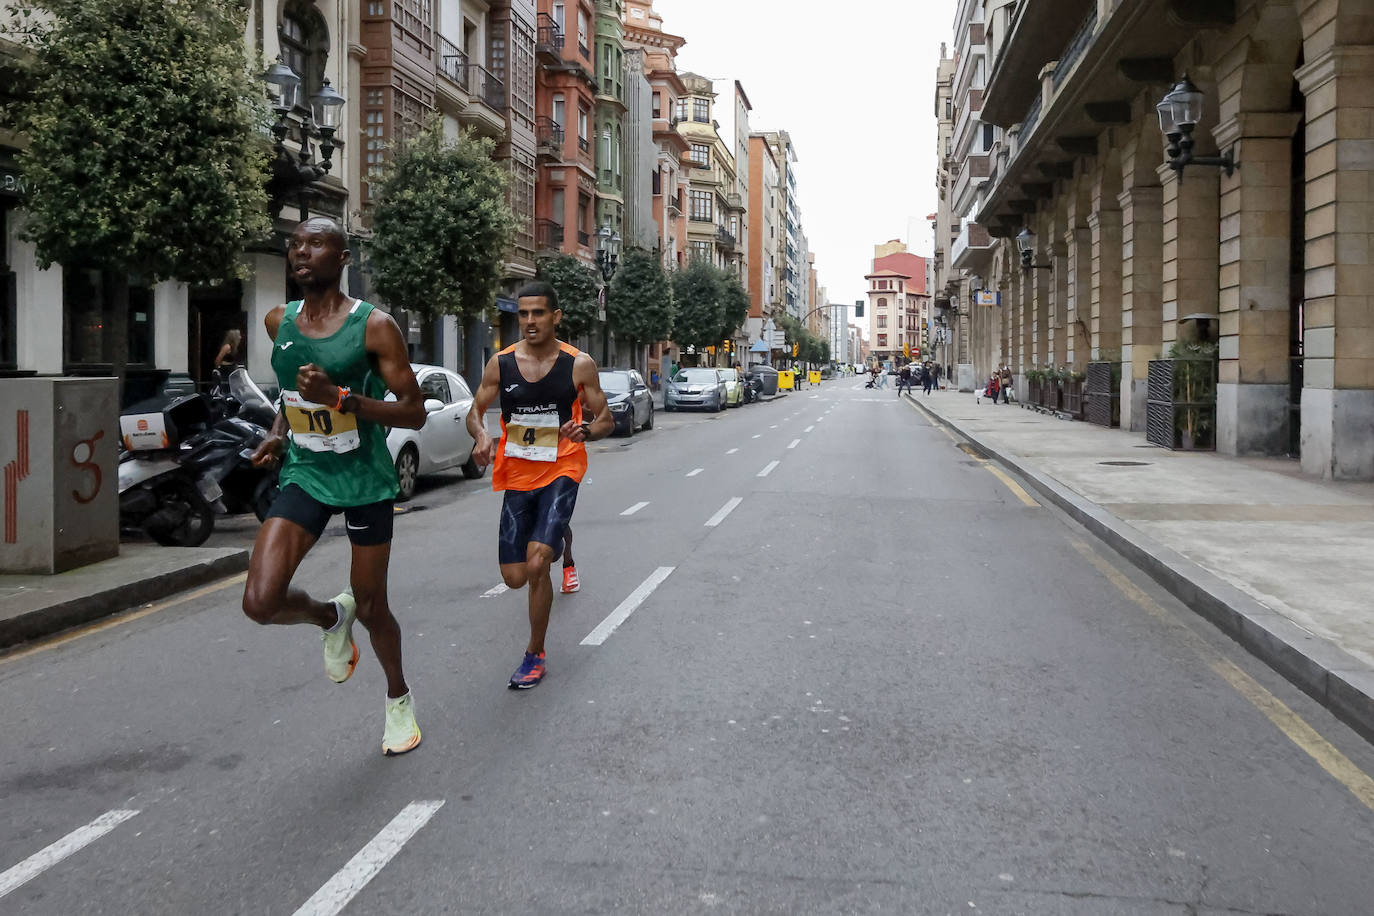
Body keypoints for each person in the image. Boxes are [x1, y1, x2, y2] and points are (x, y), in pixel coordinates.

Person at [241, 217, 427, 757]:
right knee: (260, 600)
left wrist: (342, 400)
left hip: (364, 478)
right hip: (306, 472)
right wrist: (278, 435)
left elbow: (413, 412)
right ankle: (329, 616)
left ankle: (398, 698)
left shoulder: (374, 326)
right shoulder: (279, 321)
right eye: (295, 244)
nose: (302, 252)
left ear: (343, 258)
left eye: (316, 243)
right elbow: (290, 394)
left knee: (373, 608)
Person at [467, 281, 612, 690]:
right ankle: (561, 538)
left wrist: (585, 430)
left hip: (562, 468)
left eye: (538, 313)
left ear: (555, 317)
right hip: (518, 473)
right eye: (523, 314)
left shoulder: (578, 364)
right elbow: (475, 412)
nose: (529, 322)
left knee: (536, 563)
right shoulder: (501, 363)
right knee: (514, 575)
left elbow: (605, 419)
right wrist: (480, 436)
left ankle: (535, 654)